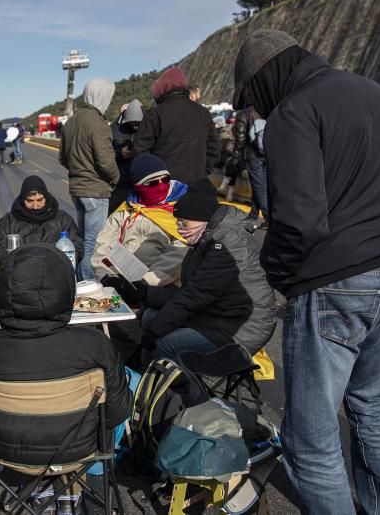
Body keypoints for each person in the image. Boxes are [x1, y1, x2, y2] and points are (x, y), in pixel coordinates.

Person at [232, 29, 380, 515]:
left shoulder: (294, 112)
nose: (254, 111)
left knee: (311, 438)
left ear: (265, 77)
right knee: (374, 408)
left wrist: (277, 274)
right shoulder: (377, 94)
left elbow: (298, 220)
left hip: (335, 282)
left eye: (251, 100)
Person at [0, 242, 131, 454]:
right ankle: (77, 482)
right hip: (78, 449)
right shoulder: (95, 345)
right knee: (128, 380)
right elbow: (117, 413)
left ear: (3, 290)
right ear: (67, 291)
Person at [114, 179, 276, 362]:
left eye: (184, 223)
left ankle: (173, 389)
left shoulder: (228, 242)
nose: (179, 229)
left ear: (203, 219)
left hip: (242, 327)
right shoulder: (207, 237)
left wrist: (152, 333)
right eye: (178, 223)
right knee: (150, 316)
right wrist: (144, 294)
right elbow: (191, 292)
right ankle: (146, 374)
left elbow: (197, 295)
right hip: (218, 314)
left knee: (166, 345)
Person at [93, 154, 189, 287]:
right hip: (118, 279)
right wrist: (105, 277)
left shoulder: (183, 209)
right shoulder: (125, 209)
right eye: (153, 183)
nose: (161, 185)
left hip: (159, 287)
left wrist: (144, 284)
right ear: (139, 187)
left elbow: (180, 253)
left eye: (165, 179)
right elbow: (103, 246)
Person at [59, 78, 120, 281]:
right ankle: (87, 281)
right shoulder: (99, 123)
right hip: (96, 190)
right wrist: (115, 179)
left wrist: (79, 171)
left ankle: (78, 277)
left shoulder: (71, 121)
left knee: (84, 239)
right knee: (93, 243)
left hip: (77, 188)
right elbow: (105, 161)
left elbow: (63, 157)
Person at [132, 66, 219, 183]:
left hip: (165, 186)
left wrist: (152, 180)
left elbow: (141, 151)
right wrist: (204, 171)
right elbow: (214, 148)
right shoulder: (203, 113)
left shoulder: (156, 114)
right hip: (197, 183)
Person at [0, 175, 81, 269]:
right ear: (22, 199)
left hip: (55, 273)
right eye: (30, 201)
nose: (35, 206)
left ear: (46, 197)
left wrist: (54, 259)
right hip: (20, 276)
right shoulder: (8, 221)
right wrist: (20, 261)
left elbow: (78, 246)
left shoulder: (62, 218)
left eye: (40, 200)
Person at [230, 106, 267, 226]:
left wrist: (236, 157)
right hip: (267, 153)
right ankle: (253, 215)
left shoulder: (245, 113)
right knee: (260, 186)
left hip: (253, 155)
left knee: (259, 188)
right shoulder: (266, 109)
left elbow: (240, 138)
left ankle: (269, 217)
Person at [109, 99, 144, 214]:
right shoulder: (113, 129)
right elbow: (104, 154)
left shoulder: (148, 128)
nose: (135, 127)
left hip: (140, 183)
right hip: (120, 184)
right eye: (132, 124)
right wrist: (120, 153)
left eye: (138, 124)